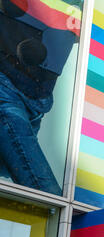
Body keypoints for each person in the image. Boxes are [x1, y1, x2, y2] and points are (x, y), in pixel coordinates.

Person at [0, 0, 81, 195]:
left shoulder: (84, 6)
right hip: (7, 86)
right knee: (45, 195)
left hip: (38, 98)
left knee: (14, 193)